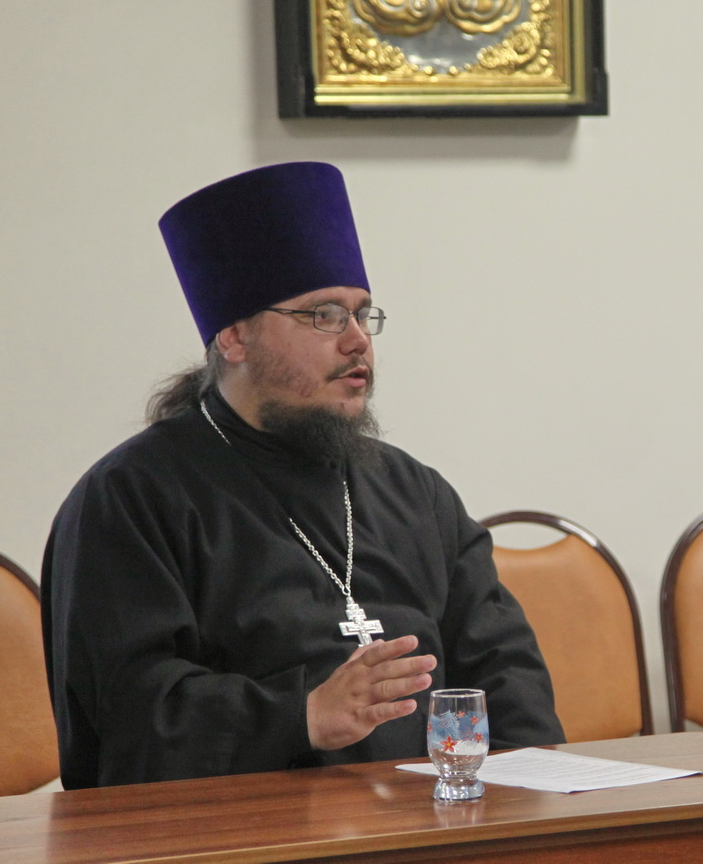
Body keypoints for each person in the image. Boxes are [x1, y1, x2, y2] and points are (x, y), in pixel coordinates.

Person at [42, 162, 564, 789]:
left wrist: (520, 803)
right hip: (242, 828)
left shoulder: (416, 493)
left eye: (363, 315)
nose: (357, 341)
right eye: (324, 315)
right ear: (234, 337)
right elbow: (126, 713)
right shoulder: (131, 498)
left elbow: (507, 676)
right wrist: (303, 715)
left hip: (431, 821)